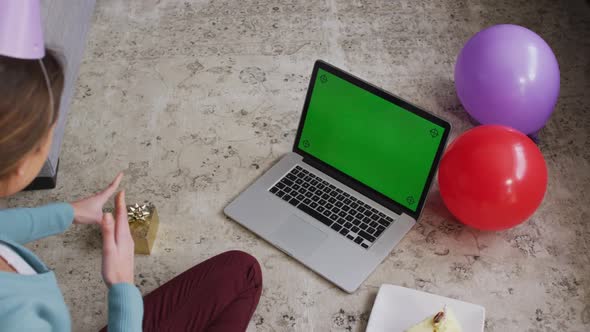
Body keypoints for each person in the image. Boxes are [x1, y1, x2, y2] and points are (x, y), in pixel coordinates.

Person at [0, 51, 262, 331]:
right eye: (49, 129)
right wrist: (122, 286)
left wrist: (69, 212)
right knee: (246, 274)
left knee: (239, 269)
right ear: (22, 165)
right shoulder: (19, 317)